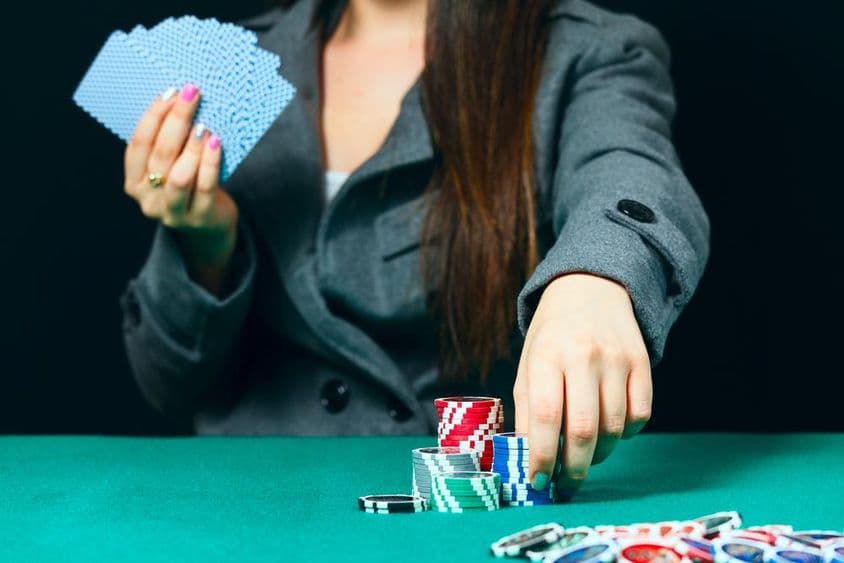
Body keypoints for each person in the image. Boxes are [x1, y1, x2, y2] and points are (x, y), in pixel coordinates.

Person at [118, 0, 710, 500]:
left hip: (452, 504)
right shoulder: (230, 66)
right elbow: (169, 388)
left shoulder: (583, 50)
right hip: (247, 502)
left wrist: (593, 280)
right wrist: (205, 240)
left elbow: (628, 170)